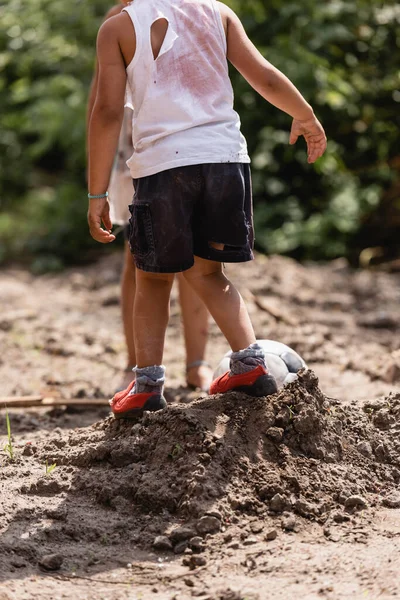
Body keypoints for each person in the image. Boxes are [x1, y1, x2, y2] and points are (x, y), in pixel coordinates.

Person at [87, 0, 327, 419]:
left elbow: (107, 111)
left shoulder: (118, 27)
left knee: (153, 279)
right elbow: (264, 75)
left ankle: (147, 384)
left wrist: (96, 193)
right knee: (210, 273)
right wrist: (304, 114)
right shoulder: (218, 13)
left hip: (162, 167)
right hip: (225, 161)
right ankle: (250, 365)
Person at [87, 1, 213, 393]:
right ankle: (136, 363)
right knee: (138, 258)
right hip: (135, 152)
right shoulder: (117, 21)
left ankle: (197, 363)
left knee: (201, 259)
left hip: (190, 147)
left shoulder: (198, 11)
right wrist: (98, 178)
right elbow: (100, 104)